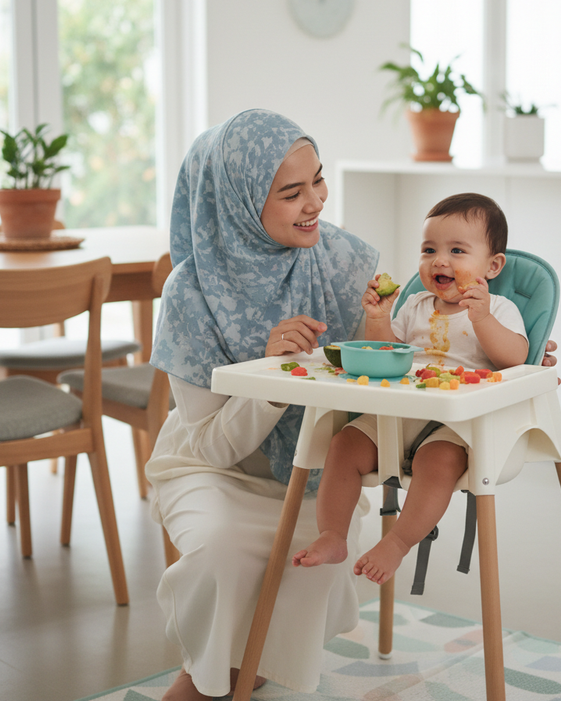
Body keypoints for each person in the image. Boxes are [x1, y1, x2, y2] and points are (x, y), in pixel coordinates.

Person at [145, 109, 380, 700]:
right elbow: (209, 444)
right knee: (222, 552)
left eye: (319, 181)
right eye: (292, 193)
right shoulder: (188, 294)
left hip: (314, 477)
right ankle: (222, 681)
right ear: (240, 202)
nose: (316, 203)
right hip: (209, 470)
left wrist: (500, 339)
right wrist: (272, 376)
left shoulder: (339, 260)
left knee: (312, 556)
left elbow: (410, 329)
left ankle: (219, 684)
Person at [292, 193, 529, 586]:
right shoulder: (416, 305)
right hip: (400, 414)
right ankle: (333, 534)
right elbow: (386, 353)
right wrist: (379, 318)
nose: (440, 260)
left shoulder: (498, 308)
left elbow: (515, 358)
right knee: (344, 444)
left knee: (436, 463)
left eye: (457, 250)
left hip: (455, 425)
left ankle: (398, 542)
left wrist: (482, 318)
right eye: (429, 249)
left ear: (492, 265)